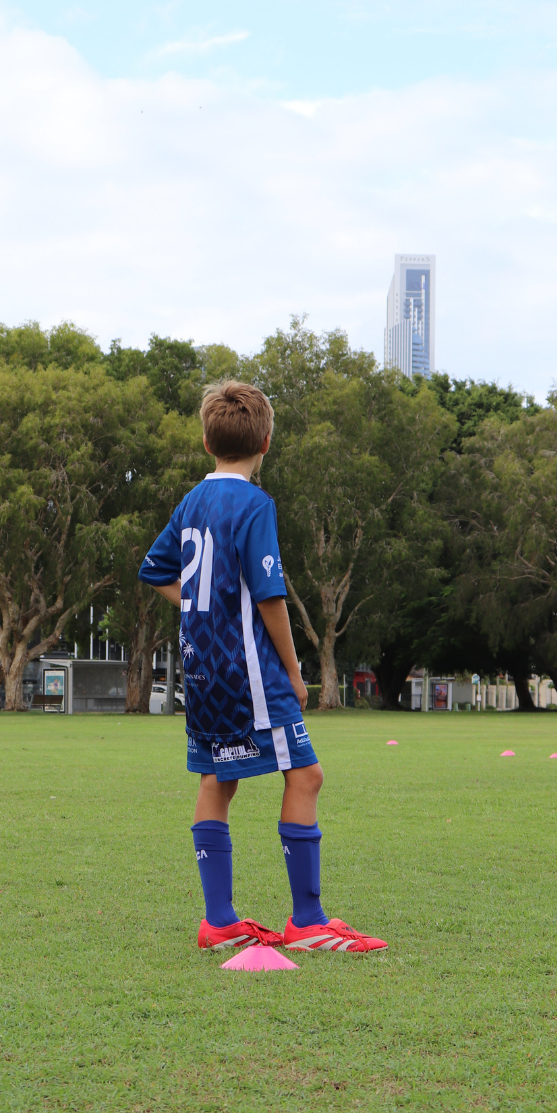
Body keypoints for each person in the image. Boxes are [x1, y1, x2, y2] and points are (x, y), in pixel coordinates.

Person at [138, 379, 387, 952]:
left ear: (206, 441)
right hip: (248, 669)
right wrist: (296, 672)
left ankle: (220, 919)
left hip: (202, 669)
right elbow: (271, 598)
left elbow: (155, 571)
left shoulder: (191, 502)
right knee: (305, 775)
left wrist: (202, 605)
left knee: (217, 778)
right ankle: (308, 922)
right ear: (267, 442)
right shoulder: (255, 504)